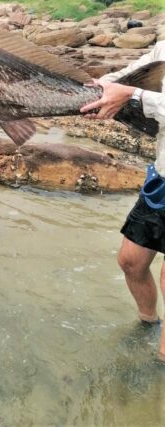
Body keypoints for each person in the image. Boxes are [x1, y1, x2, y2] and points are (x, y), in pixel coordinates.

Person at [80, 40, 165, 360]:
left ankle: (160, 368)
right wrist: (96, 90)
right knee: (131, 261)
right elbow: (126, 77)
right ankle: (148, 325)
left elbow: (133, 91)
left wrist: (131, 96)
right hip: (162, 177)